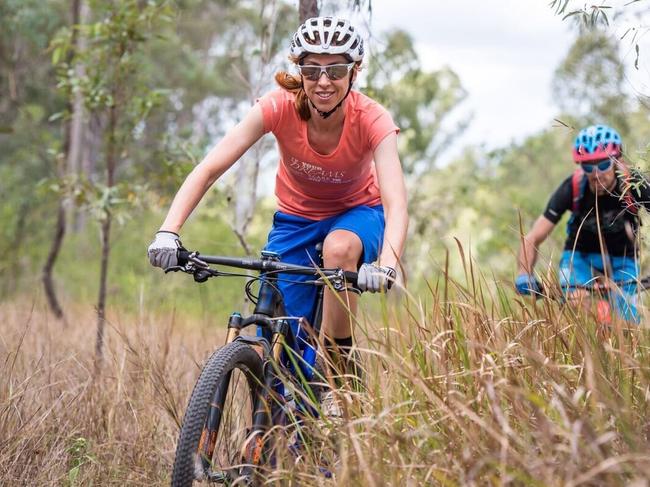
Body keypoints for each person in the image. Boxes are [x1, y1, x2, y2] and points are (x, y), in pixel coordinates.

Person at [148, 17, 408, 380]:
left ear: (354, 72)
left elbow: (396, 202)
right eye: (311, 69)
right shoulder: (278, 106)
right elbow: (208, 169)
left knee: (338, 249)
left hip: (358, 212)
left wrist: (387, 263)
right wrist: (168, 231)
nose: (323, 81)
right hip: (296, 221)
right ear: (298, 69)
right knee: (283, 339)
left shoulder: (372, 119)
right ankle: (274, 421)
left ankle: (337, 370)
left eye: (335, 70)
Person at [515, 124, 650, 323]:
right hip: (580, 256)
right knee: (577, 304)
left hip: (623, 258)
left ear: (616, 161)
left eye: (603, 164)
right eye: (588, 166)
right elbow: (534, 236)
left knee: (629, 322)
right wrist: (523, 273)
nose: (596, 173)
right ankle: (597, 326)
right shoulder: (573, 187)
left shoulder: (634, 184)